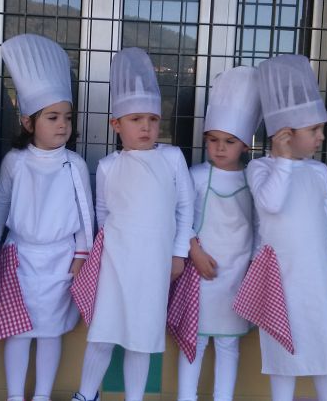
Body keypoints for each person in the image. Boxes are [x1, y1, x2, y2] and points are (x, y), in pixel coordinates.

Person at [71, 48, 194, 401]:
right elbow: (103, 213)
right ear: (116, 125)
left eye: (153, 119)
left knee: (142, 336)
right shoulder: (108, 166)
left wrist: (178, 253)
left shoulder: (172, 158)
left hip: (155, 264)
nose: (146, 126)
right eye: (136, 119)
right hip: (115, 263)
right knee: (103, 332)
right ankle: (86, 394)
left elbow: (185, 207)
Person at [0, 34, 94, 401]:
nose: (62, 125)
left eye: (66, 117)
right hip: (20, 257)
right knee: (19, 330)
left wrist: (81, 257)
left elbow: (86, 214)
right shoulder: (15, 162)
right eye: (52, 117)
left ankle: (42, 395)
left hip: (60, 260)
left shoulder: (74, 164)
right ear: (28, 121)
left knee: (51, 332)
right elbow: (1, 204)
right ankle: (15, 395)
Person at [246, 54, 327, 401]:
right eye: (314, 130)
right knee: (283, 352)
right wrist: (282, 161)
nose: (321, 137)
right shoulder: (261, 169)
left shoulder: (318, 171)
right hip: (281, 277)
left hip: (319, 275)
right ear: (286, 134)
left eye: (321, 129)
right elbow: (271, 204)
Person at [177, 66, 261, 401]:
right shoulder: (196, 175)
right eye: (213, 140)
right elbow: (180, 217)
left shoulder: (254, 179)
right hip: (201, 271)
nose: (220, 148)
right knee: (194, 340)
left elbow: (259, 226)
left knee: (228, 343)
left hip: (238, 272)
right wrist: (194, 250)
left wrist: (254, 265)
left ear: (245, 145)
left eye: (229, 142)